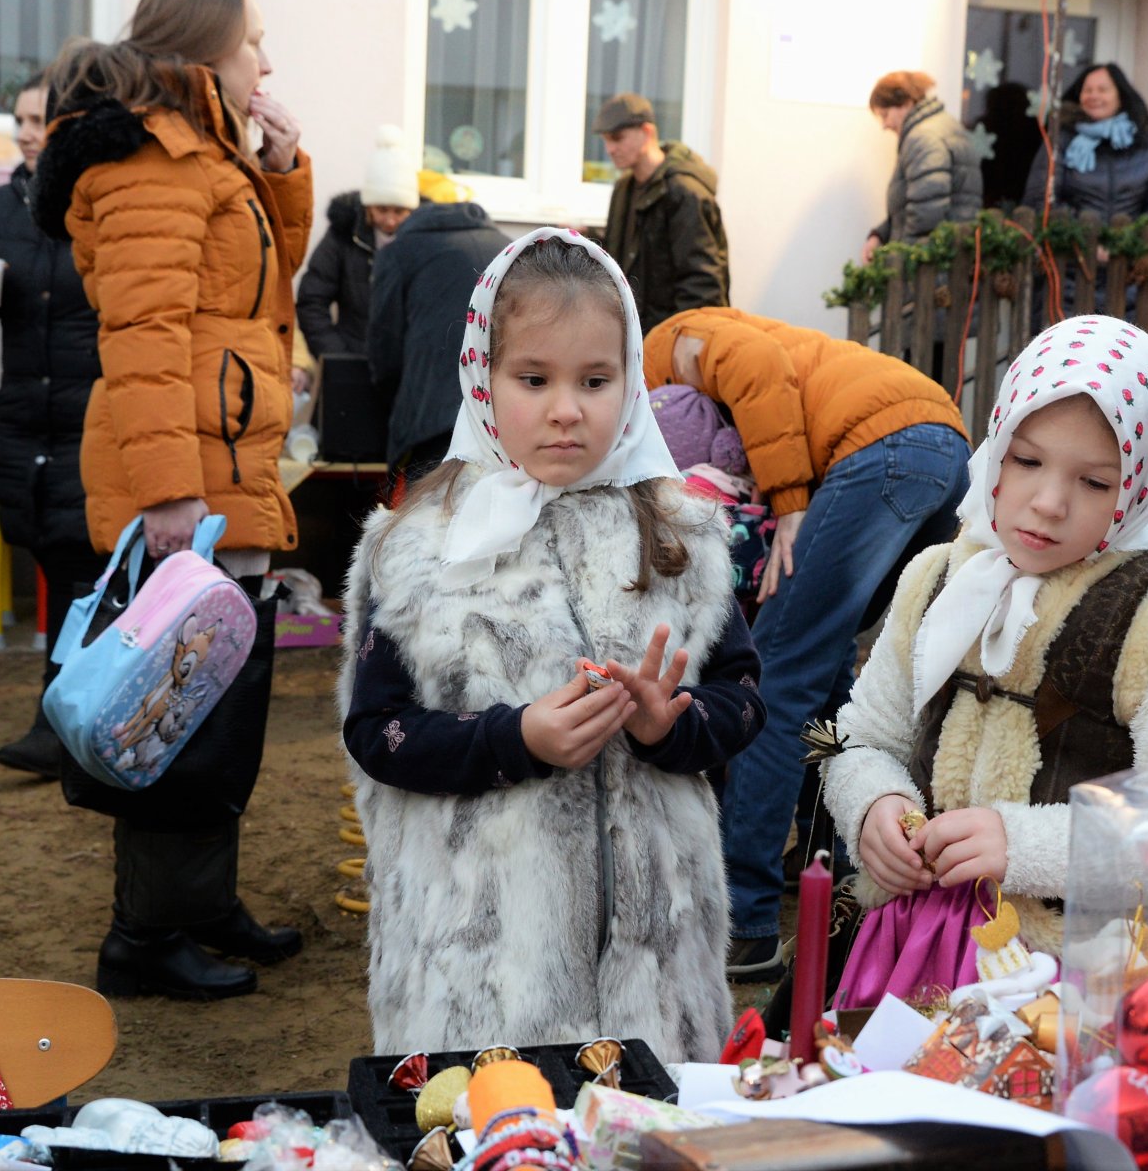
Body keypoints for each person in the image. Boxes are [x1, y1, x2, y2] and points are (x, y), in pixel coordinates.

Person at [339, 229, 765, 1063]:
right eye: (534, 379)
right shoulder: (417, 549)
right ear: (482, 378)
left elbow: (743, 699)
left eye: (595, 381)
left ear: (632, 384)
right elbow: (377, 733)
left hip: (657, 986)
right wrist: (513, 738)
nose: (566, 408)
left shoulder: (681, 541)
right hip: (482, 987)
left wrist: (669, 726)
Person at [34, 0, 312, 1000]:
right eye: (253, 43)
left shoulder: (205, 156)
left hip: (222, 469)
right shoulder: (152, 164)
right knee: (169, 711)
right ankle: (144, 940)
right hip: (187, 484)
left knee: (219, 709)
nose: (267, 61)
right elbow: (143, 339)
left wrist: (280, 168)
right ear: (203, 50)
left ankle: (201, 903)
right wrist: (167, 495)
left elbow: (257, 294)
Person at [824, 317, 1148, 961]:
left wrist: (1023, 847)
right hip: (911, 949)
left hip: (1081, 967)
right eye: (1026, 460)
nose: (1049, 501)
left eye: (1095, 482)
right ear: (997, 447)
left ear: (1139, 487)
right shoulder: (936, 581)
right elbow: (863, 732)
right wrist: (873, 804)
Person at [642, 307, 972, 979]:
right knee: (821, 678)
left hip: (883, 452)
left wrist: (790, 502)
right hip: (941, 450)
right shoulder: (791, 348)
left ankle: (745, 918)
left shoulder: (667, 344)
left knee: (774, 676)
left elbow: (756, 373)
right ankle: (836, 861)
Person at [0, 71, 103, 779]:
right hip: (25, 418)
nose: (29, 134)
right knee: (57, 564)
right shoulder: (7, 202)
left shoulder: (98, 198)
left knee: (81, 574)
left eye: (41, 120)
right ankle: (70, 720)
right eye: (21, 122)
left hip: (86, 416)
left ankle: (63, 724)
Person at [365, 188, 511, 477]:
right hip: (501, 421)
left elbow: (385, 351)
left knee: (430, 518)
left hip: (429, 427)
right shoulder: (507, 247)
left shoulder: (399, 252)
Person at [1020, 63, 1148, 312]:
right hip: (1068, 275)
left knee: (1120, 350)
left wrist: (1127, 243)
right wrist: (1085, 241)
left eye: (1102, 89)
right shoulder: (1060, 140)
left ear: (1120, 96)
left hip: (1127, 278)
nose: (1093, 96)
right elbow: (1042, 200)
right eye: (1087, 89)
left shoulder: (1143, 143)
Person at [593, 93, 729, 331]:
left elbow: (703, 285)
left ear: (646, 133)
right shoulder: (624, 187)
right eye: (606, 140)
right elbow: (627, 256)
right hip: (635, 337)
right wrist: (589, 239)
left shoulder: (685, 193)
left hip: (671, 344)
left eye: (617, 138)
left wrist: (681, 340)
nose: (610, 149)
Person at [295, 124, 421, 359]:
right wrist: (337, 357)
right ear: (368, 207)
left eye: (400, 211)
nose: (391, 220)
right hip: (354, 360)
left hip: (409, 371)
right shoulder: (343, 235)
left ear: (413, 210)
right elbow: (312, 300)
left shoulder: (426, 242)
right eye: (382, 209)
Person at [861, 72, 983, 266]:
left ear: (907, 103)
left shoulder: (923, 138)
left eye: (885, 115)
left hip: (933, 269)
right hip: (952, 259)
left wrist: (900, 265)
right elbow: (919, 202)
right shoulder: (941, 127)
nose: (885, 125)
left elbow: (926, 216)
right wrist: (880, 235)